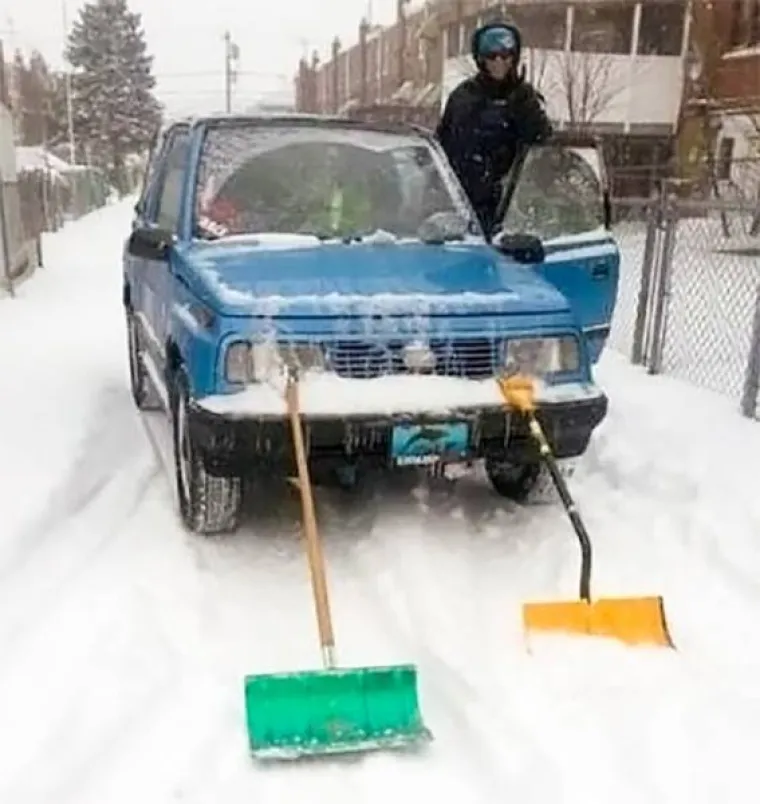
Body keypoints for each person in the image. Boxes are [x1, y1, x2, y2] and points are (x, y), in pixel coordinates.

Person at [435, 21, 553, 235]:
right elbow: (444, 149)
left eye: (505, 55)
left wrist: (524, 108)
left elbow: (542, 146)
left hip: (512, 208)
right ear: (481, 59)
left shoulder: (525, 98)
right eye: (492, 56)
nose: (499, 62)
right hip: (464, 205)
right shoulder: (464, 97)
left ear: (514, 57)